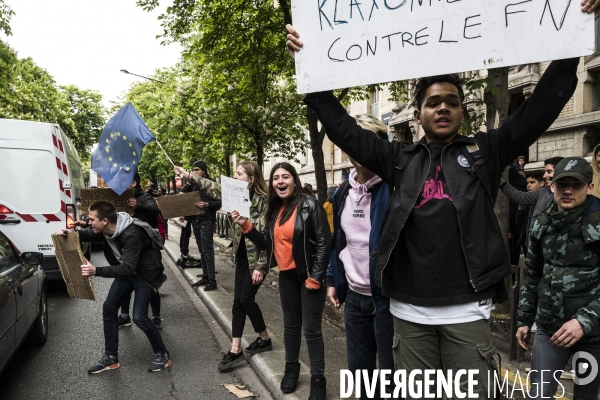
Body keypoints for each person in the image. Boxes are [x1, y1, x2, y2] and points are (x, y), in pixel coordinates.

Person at [286, 6, 588, 392]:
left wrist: (574, 41)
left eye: (451, 101)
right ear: (418, 113)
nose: (442, 107)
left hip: (467, 309)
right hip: (409, 313)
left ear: (462, 111)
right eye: (433, 102)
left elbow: (540, 108)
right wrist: (310, 68)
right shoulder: (398, 158)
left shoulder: (485, 151)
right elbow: (345, 130)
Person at [233, 162, 330, 399]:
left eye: (285, 177)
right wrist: (245, 225)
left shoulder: (309, 205)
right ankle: (291, 368)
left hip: (308, 277)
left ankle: (318, 379)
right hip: (287, 276)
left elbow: (325, 242)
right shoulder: (275, 210)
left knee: (312, 330)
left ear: (294, 180)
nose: (280, 182)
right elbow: (267, 243)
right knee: (291, 326)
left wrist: (316, 278)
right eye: (276, 178)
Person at [516, 157, 600, 398]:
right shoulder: (541, 224)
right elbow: (533, 275)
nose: (568, 191)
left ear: (590, 187)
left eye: (577, 185)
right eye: (563, 184)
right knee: (540, 394)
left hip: (592, 335)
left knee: (586, 395)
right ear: (552, 185)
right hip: (548, 328)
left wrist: (583, 321)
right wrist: (524, 318)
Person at [326, 114, 395, 399]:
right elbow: (338, 241)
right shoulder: (341, 192)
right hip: (354, 298)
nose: (360, 149)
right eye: (354, 142)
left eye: (370, 141)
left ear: (381, 145)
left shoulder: (394, 187)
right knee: (361, 376)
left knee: (392, 380)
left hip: (389, 299)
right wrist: (333, 279)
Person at [61, 201, 171, 373]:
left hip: (144, 275)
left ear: (104, 220)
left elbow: (127, 268)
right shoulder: (108, 229)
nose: (88, 222)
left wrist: (95, 270)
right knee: (109, 307)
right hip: (128, 273)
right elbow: (91, 234)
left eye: (91, 219)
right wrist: (72, 233)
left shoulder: (132, 234)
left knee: (139, 317)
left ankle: (163, 354)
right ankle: (111, 358)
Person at [218, 162, 273, 371]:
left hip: (256, 260)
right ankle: (235, 348)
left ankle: (265, 339)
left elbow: (269, 239)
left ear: (251, 179)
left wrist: (260, 267)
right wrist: (187, 175)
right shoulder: (238, 197)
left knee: (246, 299)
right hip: (242, 257)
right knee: (237, 302)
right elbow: (214, 188)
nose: (235, 176)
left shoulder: (265, 202)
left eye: (239, 174)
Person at [119, 173, 163, 329]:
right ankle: (124, 315)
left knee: (149, 281)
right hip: (128, 247)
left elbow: (155, 210)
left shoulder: (144, 197)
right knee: (125, 280)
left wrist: (138, 206)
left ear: (133, 183)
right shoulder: (119, 197)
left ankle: (156, 317)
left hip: (146, 250)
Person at [174, 161, 222, 291]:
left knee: (207, 249)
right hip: (196, 220)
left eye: (197, 170)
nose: (194, 172)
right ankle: (205, 276)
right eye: (193, 170)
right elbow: (182, 195)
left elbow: (219, 202)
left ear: (204, 171)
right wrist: (189, 182)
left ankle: (212, 280)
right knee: (201, 249)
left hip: (206, 220)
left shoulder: (211, 184)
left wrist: (207, 205)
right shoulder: (193, 184)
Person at [500, 156, 564, 249]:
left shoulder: (572, 197)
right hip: (534, 250)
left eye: (549, 172)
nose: (544, 176)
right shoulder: (543, 192)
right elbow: (519, 197)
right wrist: (499, 181)